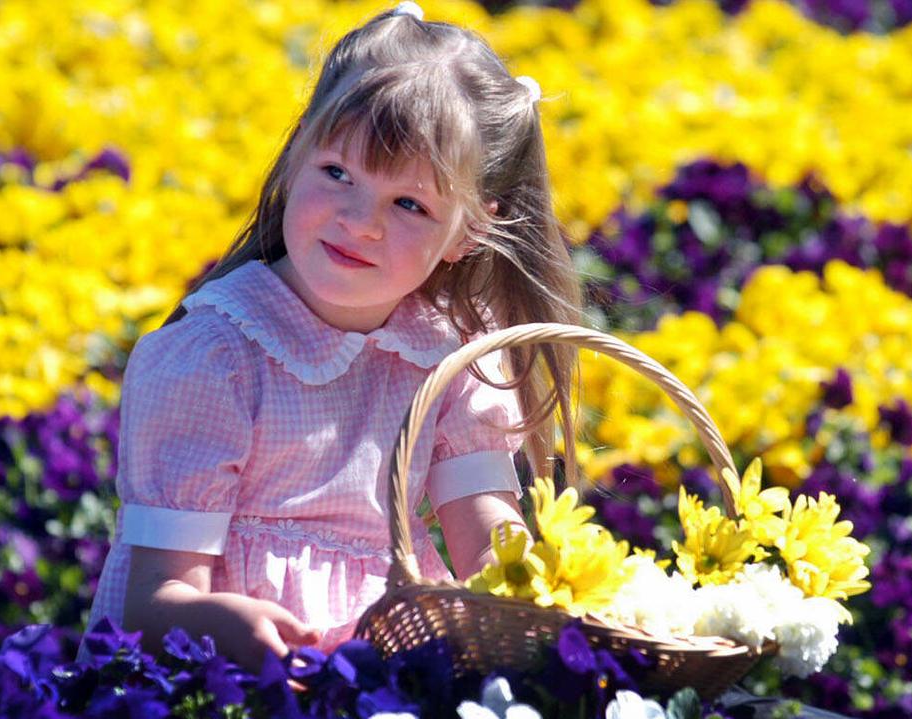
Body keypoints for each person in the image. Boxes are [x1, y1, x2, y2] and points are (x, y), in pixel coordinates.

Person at [79, 1, 582, 669]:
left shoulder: (454, 357)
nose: (359, 220)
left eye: (408, 204)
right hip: (229, 676)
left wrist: (534, 600)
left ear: (465, 231)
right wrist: (218, 620)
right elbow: (154, 599)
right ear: (294, 159)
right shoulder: (217, 356)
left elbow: (487, 537)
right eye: (338, 174)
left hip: (384, 669)